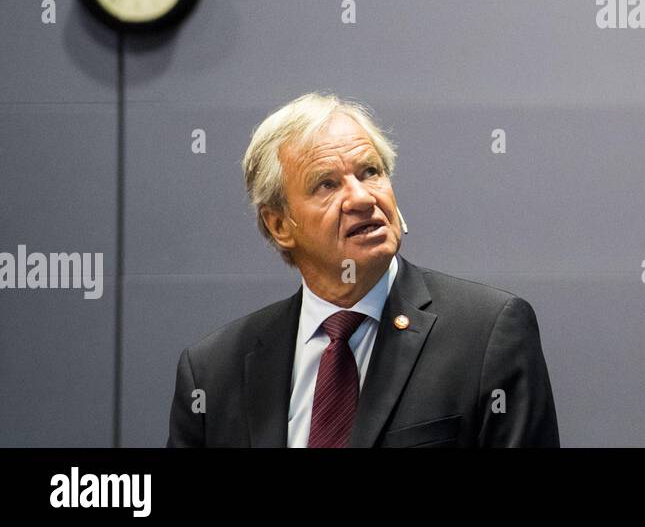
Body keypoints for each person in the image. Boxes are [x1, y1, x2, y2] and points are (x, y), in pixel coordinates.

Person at [166, 92, 560, 447]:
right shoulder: (213, 372)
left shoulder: (487, 334)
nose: (360, 197)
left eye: (370, 172)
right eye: (326, 184)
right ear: (280, 225)